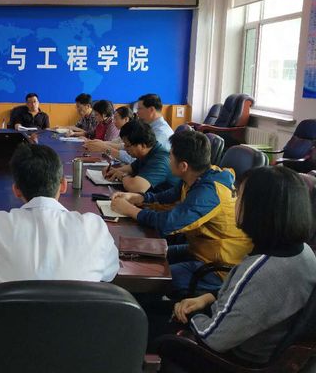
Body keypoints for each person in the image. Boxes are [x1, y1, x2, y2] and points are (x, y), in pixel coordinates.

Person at [171, 166, 316, 365]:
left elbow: (213, 338)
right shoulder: (303, 251)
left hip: (232, 361)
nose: (235, 201)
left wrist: (192, 315)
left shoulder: (262, 269)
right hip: (256, 346)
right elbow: (249, 296)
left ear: (257, 209)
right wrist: (208, 297)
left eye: (238, 196)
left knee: (159, 335)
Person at [110, 130, 252, 293]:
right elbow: (170, 195)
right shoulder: (199, 176)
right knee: (137, 255)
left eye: (171, 157)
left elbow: (169, 224)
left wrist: (131, 210)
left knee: (145, 278)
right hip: (200, 249)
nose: (168, 160)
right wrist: (139, 198)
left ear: (183, 166)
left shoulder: (209, 192)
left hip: (219, 266)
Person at [0, 143, 119, 283]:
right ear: (64, 185)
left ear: (16, 190)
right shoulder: (94, 229)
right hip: (80, 309)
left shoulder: (0, 227)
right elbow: (110, 272)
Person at [104, 119, 179, 193]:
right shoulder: (147, 153)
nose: (125, 149)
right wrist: (113, 171)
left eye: (128, 146)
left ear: (143, 145)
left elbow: (135, 187)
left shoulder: (160, 160)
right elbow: (131, 168)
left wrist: (122, 176)